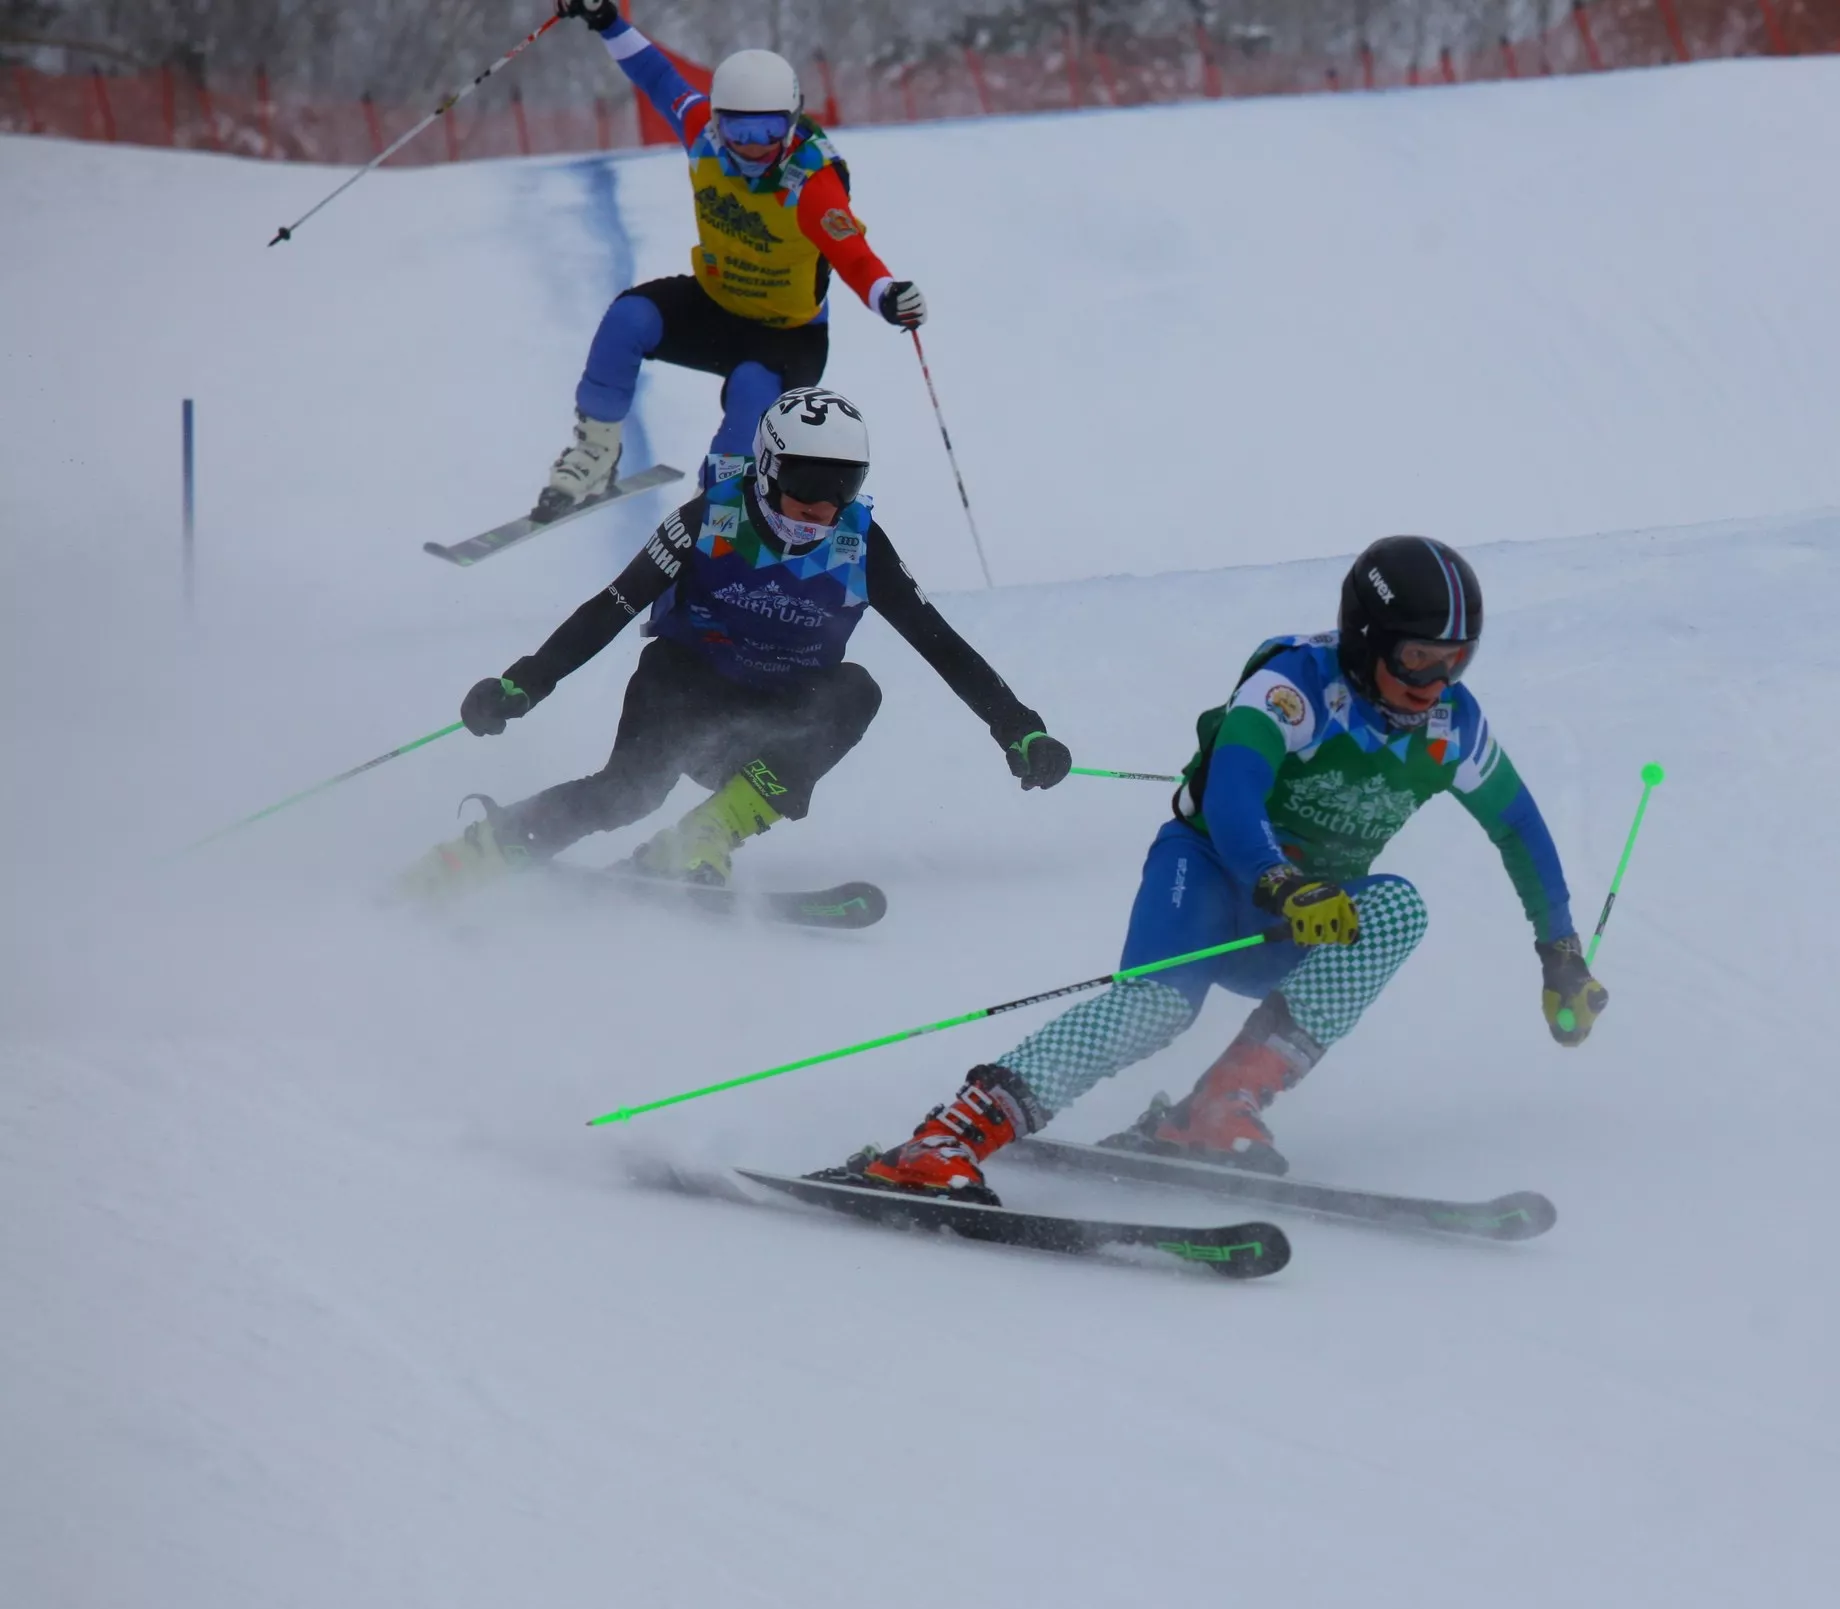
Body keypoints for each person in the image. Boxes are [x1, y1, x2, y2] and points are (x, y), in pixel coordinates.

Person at [855, 535, 1609, 1194]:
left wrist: (1560, 953)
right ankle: (946, 1138)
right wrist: (1280, 881)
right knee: (1155, 1009)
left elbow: (1520, 831)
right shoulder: (1294, 686)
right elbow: (1233, 793)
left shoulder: (1451, 724)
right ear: (1368, 637)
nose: (1435, 683)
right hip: (1210, 878)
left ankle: (1217, 1109)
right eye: (1417, 657)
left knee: (1397, 908)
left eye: (1457, 661)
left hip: (1302, 920)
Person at [407, 389, 1068, 893]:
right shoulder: (711, 520)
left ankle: (704, 835)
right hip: (684, 685)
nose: (823, 503)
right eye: (808, 482)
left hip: (774, 721)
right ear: (770, 465)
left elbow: (941, 644)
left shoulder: (857, 544)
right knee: (629, 793)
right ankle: (483, 850)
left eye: (844, 484)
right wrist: (524, 682)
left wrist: (1019, 728)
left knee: (855, 691)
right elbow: (612, 606)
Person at [530, 0, 927, 521]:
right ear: (718, 120)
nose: (752, 147)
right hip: (717, 305)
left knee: (750, 398)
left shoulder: (810, 181)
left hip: (787, 336)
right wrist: (607, 20)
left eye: (766, 132)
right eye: (739, 131)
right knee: (627, 319)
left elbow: (852, 256)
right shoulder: (702, 133)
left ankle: (715, 511)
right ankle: (597, 453)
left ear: (791, 121)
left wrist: (887, 295)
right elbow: (653, 73)